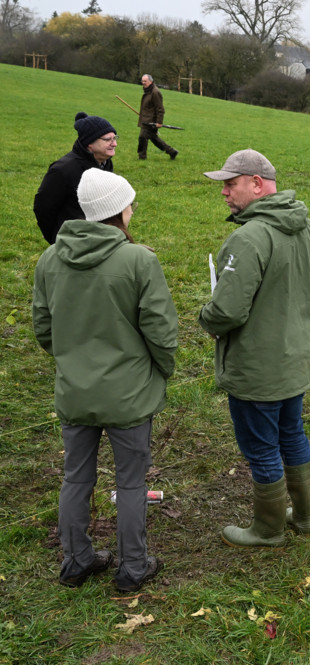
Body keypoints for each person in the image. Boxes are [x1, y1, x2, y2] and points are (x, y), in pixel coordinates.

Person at [32, 168, 178, 591]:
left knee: (76, 477)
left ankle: (76, 560)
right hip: (129, 396)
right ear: (119, 209)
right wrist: (161, 369)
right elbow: (161, 331)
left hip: (75, 392)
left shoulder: (49, 259)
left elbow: (44, 328)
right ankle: (133, 567)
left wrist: (72, 362)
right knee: (131, 482)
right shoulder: (138, 260)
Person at [198, 149, 310, 547]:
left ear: (257, 184)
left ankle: (268, 528)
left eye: (231, 184)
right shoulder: (303, 225)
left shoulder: (248, 237)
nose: (225, 193)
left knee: (262, 446)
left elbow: (226, 310)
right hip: (293, 360)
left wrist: (206, 320)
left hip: (258, 367)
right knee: (292, 432)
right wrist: (296, 311)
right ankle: (304, 516)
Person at [33, 112, 118, 244]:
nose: (114, 144)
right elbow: (43, 208)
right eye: (108, 139)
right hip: (72, 240)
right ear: (90, 143)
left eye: (115, 138)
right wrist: (56, 238)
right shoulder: (63, 169)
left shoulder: (105, 163)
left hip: (100, 238)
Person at [137, 75, 178, 161]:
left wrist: (159, 122)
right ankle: (171, 151)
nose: (143, 83)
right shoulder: (148, 91)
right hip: (146, 119)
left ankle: (142, 157)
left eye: (145, 81)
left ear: (150, 82)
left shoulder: (155, 92)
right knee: (154, 138)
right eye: (142, 81)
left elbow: (160, 109)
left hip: (151, 121)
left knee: (142, 137)